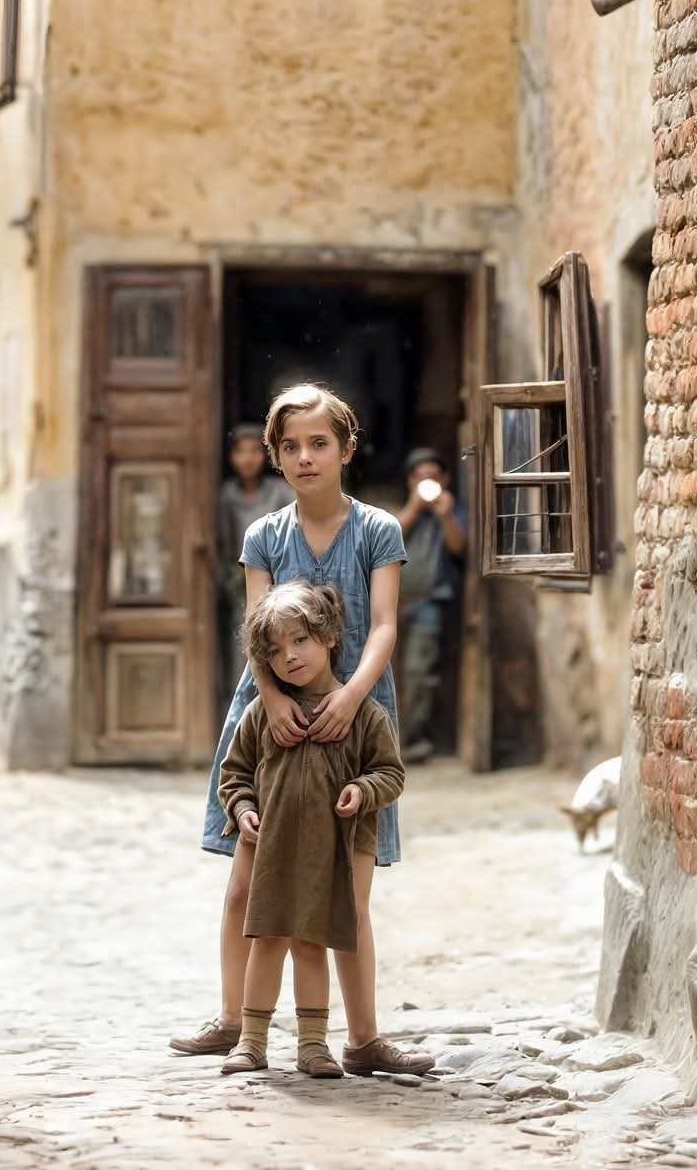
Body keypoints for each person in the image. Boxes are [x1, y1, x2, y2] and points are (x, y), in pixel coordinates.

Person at [170, 381, 435, 1078]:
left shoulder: (378, 530)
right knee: (244, 886)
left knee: (348, 898)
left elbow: (384, 625)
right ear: (275, 456)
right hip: (272, 719)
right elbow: (257, 631)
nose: (305, 457)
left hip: (354, 714)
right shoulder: (264, 536)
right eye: (290, 446)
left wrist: (350, 696)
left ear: (347, 449)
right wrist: (270, 699)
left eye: (319, 443)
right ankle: (234, 1021)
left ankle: (364, 1038)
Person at [215, 581, 406, 1076]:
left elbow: (391, 774)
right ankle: (251, 1042)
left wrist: (362, 790)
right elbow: (234, 775)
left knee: (311, 943)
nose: (290, 657)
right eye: (276, 651)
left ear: (329, 636)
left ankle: (314, 1046)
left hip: (331, 851)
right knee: (267, 939)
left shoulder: (365, 715)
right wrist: (242, 810)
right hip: (273, 850)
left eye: (300, 640)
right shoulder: (263, 715)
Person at [394, 447, 467, 761]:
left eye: (433, 477)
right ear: (410, 482)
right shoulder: (398, 513)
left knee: (419, 671)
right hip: (392, 604)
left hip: (430, 603)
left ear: (445, 480)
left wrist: (445, 515)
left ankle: (413, 741)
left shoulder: (453, 511)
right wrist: (414, 506)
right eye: (420, 478)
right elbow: (388, 539)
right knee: (385, 672)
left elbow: (459, 547)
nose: (426, 483)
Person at [214, 423, 293, 702]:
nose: (248, 459)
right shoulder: (226, 495)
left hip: (282, 582)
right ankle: (245, 710)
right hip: (241, 582)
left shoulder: (280, 492)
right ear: (231, 457)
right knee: (245, 646)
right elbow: (222, 543)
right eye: (241, 451)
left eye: (255, 451)